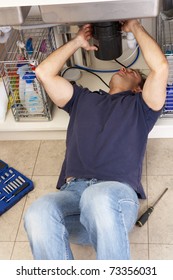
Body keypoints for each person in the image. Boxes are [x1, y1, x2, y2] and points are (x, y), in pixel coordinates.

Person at [24, 19, 168, 260]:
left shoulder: (142, 108)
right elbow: (44, 73)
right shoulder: (82, 99)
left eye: (131, 73)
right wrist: (78, 41)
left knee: (97, 197)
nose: (123, 69)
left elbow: (161, 67)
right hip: (73, 198)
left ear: (138, 89)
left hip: (114, 198)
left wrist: (134, 27)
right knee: (37, 212)